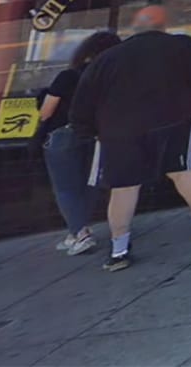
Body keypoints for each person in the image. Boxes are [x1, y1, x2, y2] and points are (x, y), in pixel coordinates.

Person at [72, 5, 191, 271]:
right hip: (173, 121)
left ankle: (119, 251)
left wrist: (89, 130)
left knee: (123, 188)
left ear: (135, 28)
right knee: (183, 169)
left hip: (119, 131)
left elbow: (83, 103)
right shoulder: (182, 46)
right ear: (164, 25)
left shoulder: (106, 59)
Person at [37, 30, 119, 256]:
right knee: (89, 183)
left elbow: (46, 112)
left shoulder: (69, 76)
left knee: (65, 187)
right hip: (95, 133)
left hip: (62, 134)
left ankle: (80, 233)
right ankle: (77, 231)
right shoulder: (109, 79)